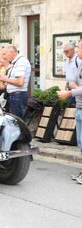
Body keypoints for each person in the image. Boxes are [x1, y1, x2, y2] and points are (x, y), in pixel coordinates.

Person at [57, 40, 82, 184]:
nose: (78, 50)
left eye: (79, 47)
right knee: (80, 143)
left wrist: (70, 92)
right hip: (79, 106)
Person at [0, 45, 31, 119]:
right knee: (15, 121)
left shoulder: (21, 62)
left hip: (18, 96)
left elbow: (20, 83)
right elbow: (15, 81)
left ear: (11, 52)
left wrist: (5, 79)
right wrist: (5, 84)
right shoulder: (16, 62)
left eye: (5, 54)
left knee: (16, 122)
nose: (5, 57)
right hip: (16, 96)